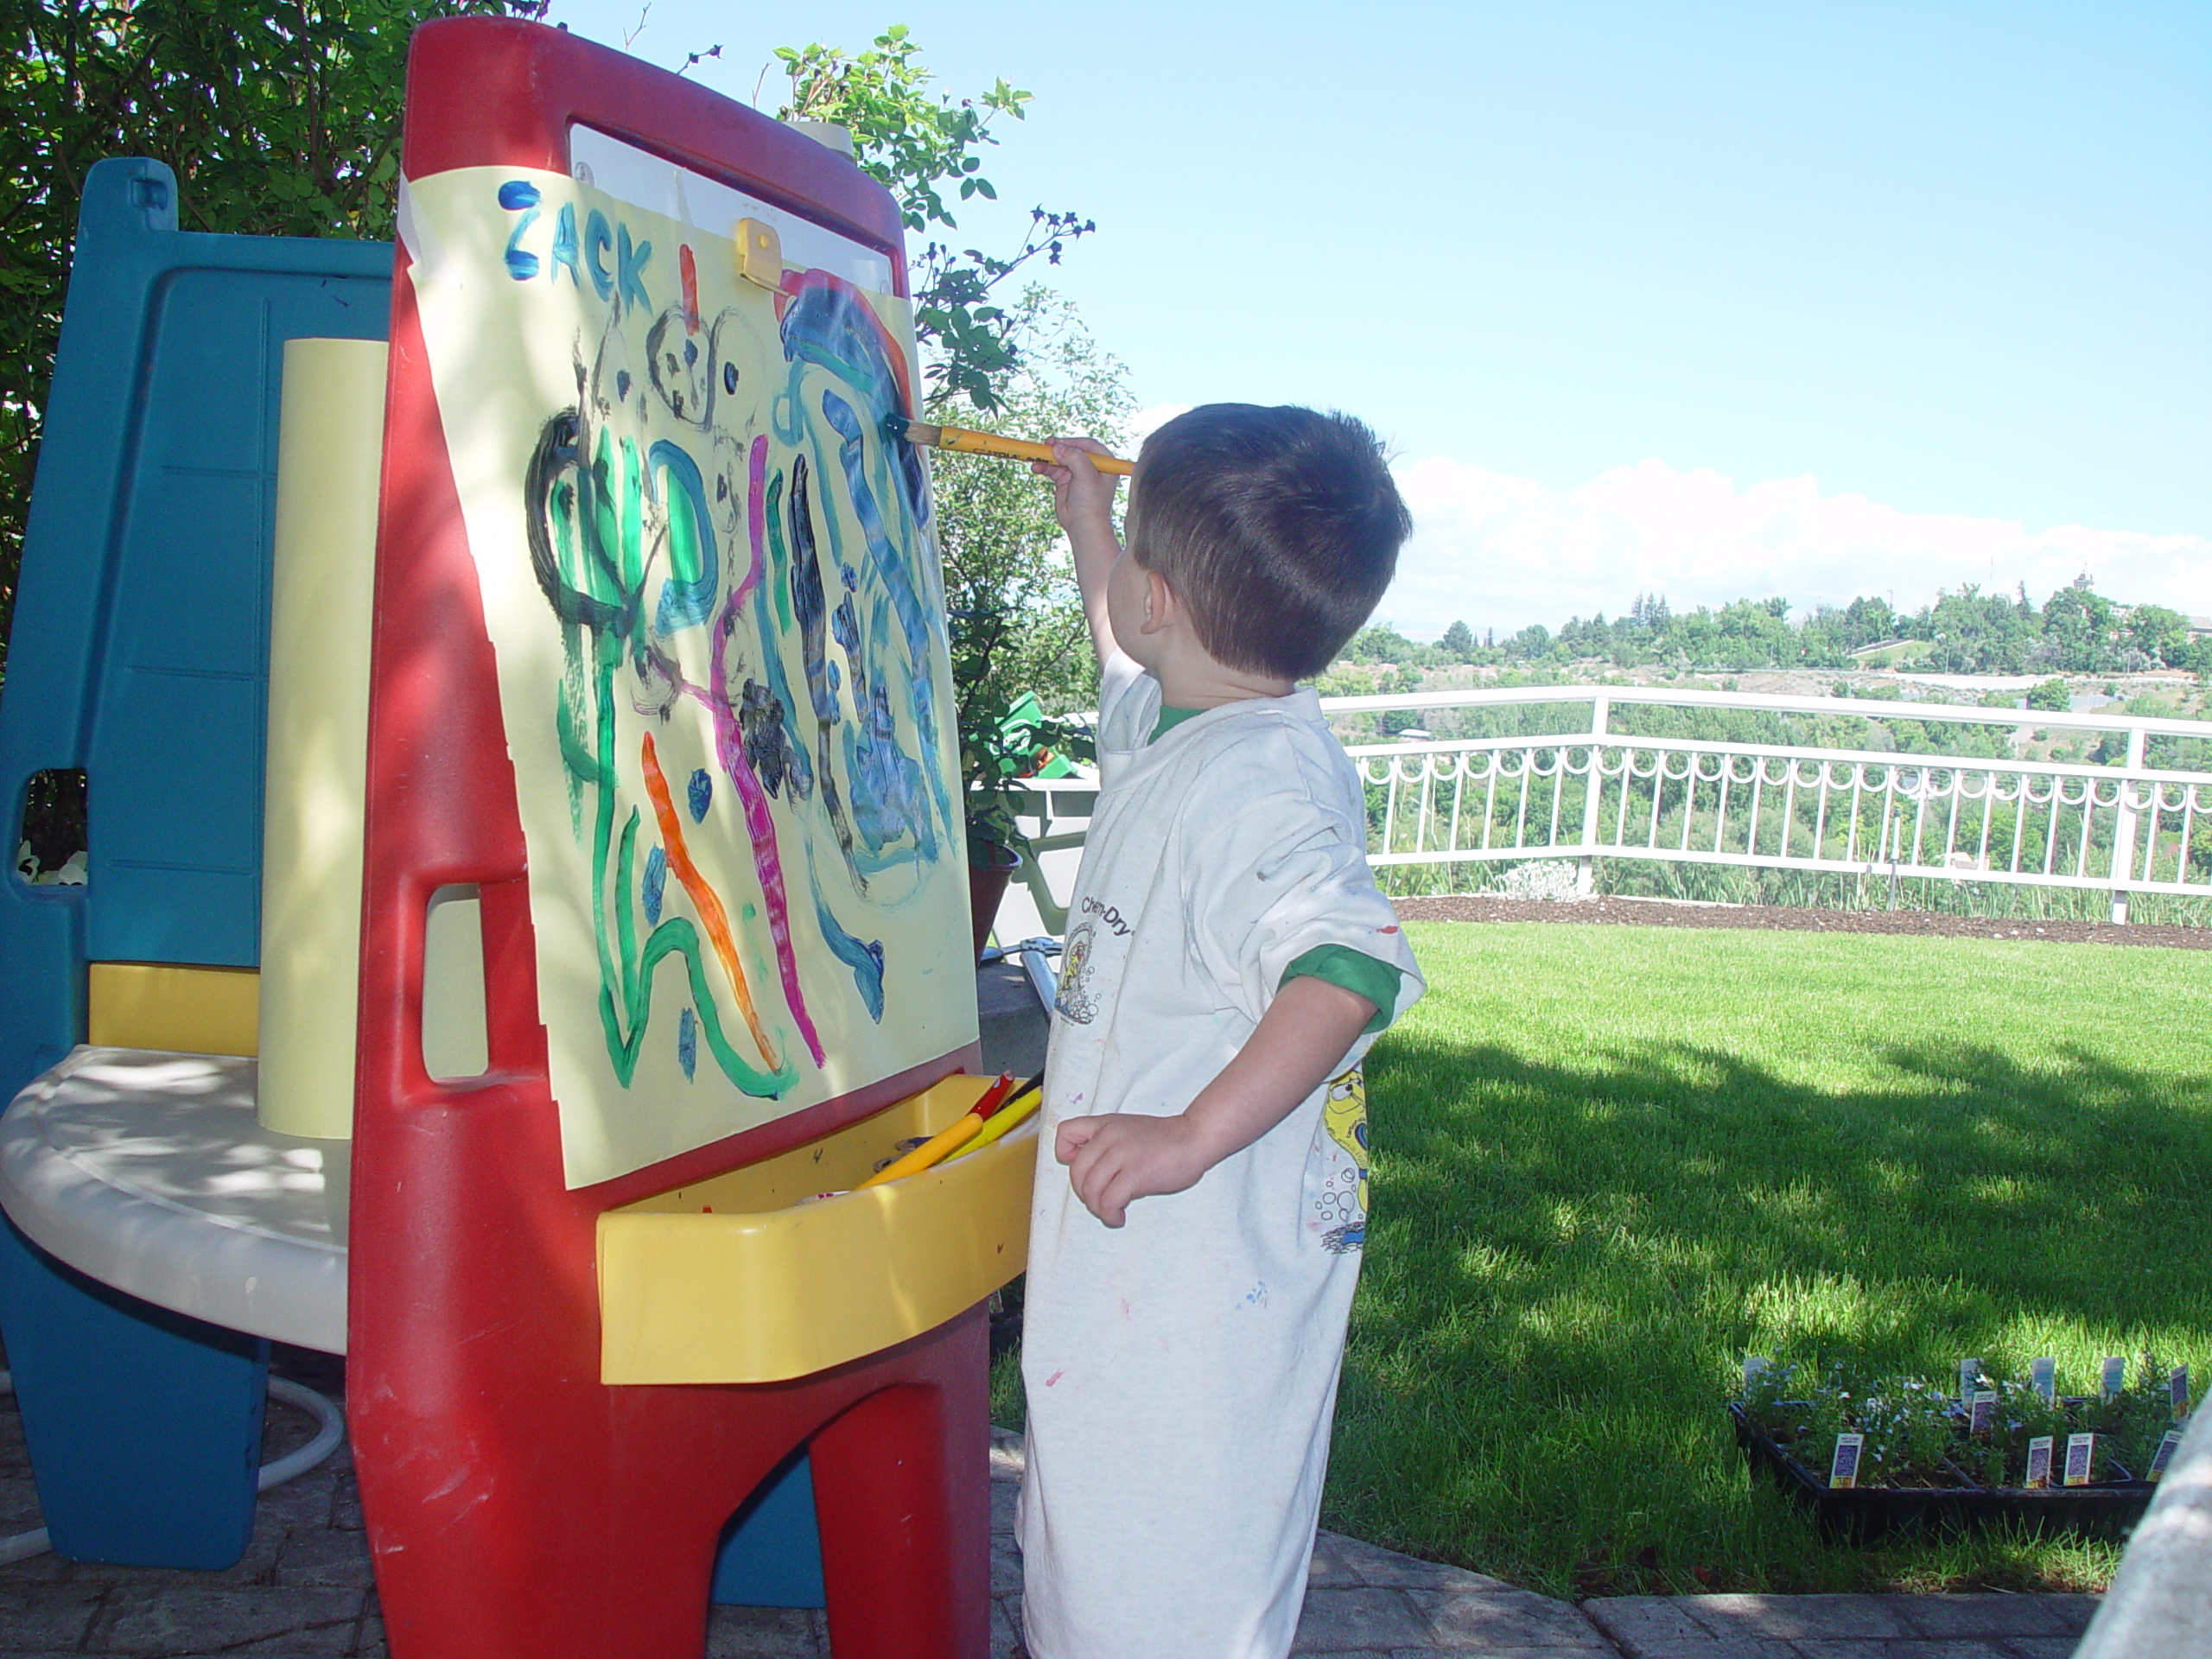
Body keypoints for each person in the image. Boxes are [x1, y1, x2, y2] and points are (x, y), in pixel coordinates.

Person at [1016, 404, 1426, 1658]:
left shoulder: (1256, 786)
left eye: (1134, 547)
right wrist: (1095, 526)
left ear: (1168, 598)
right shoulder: (1182, 711)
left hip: (1199, 1291)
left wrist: (1193, 1135)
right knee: (1096, 1552)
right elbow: (1125, 653)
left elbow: (1345, 965)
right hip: (1140, 1274)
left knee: (1165, 1576)